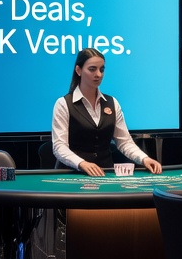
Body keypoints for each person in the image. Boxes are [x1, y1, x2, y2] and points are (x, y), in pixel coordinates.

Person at [52, 48, 162, 177]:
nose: (98, 74)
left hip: (105, 173)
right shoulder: (63, 104)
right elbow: (59, 147)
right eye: (92, 69)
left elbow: (124, 142)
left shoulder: (112, 102)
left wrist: (144, 158)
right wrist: (82, 163)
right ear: (78, 70)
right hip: (72, 173)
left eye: (102, 69)